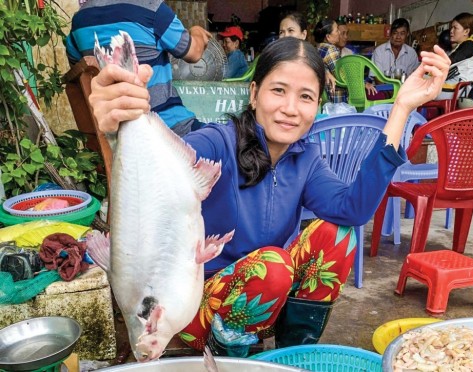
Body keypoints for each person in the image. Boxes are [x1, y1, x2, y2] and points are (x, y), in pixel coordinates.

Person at [88, 37, 450, 354]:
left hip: (265, 299)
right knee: (273, 266)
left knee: (336, 236)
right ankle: (228, 358)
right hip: (195, 308)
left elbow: (352, 210)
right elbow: (151, 178)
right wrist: (118, 127)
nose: (290, 108)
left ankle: (289, 354)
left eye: (305, 97)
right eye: (278, 90)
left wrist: (403, 107)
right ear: (254, 92)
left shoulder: (306, 158)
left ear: (317, 107)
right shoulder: (217, 142)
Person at [65, 0, 211, 137]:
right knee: (227, 139)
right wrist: (197, 31)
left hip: (114, 135)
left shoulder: (79, 21)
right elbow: (194, 53)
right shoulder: (152, 8)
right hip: (169, 130)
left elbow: (77, 69)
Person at [435, 12, 473, 100]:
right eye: (451, 27)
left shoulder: (469, 45)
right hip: (453, 87)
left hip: (457, 89)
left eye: (455, 28)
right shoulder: (463, 45)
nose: (451, 31)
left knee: (419, 88)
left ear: (466, 31)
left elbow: (449, 61)